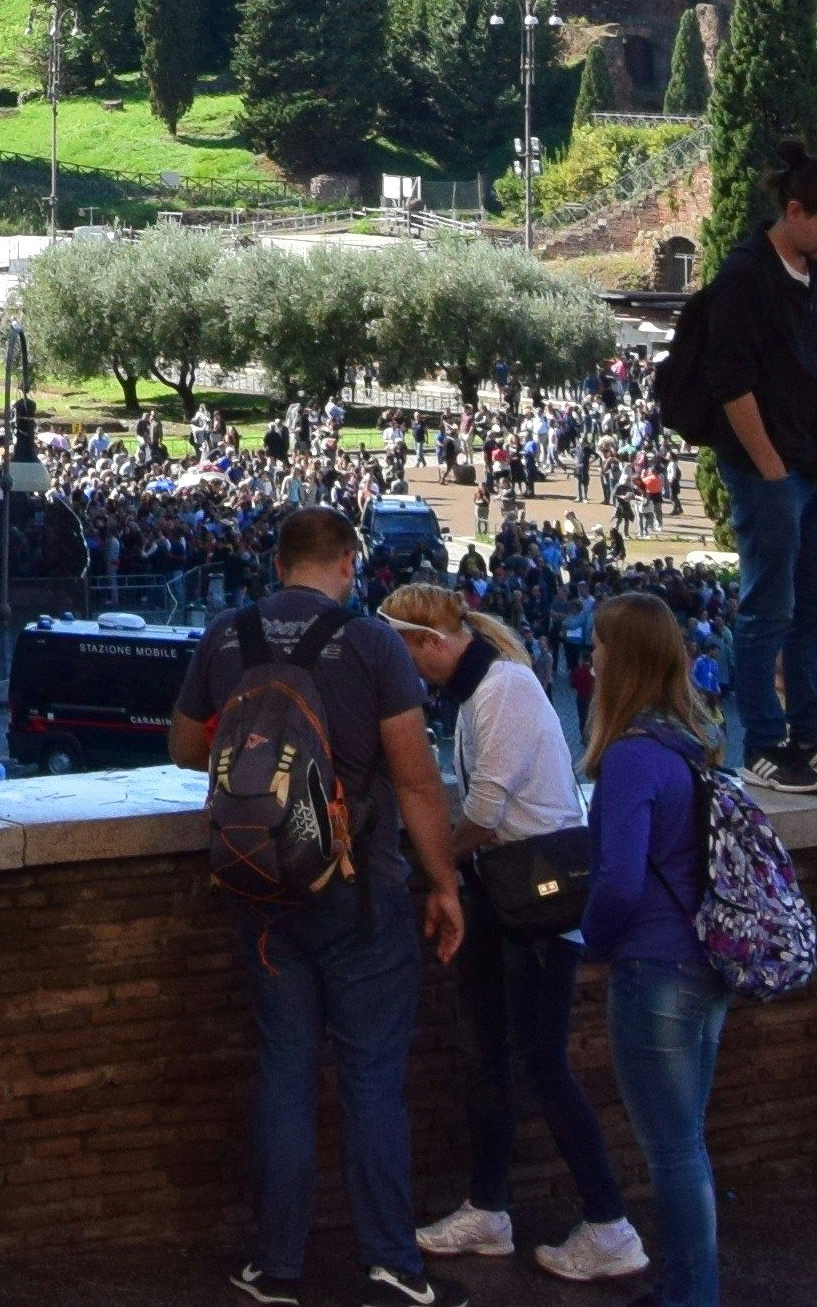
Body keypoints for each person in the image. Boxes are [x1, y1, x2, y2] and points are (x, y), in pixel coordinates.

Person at [174, 504, 467, 1307]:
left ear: (277, 564)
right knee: (371, 1079)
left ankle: (277, 1265)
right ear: (346, 564)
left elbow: (186, 747)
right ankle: (390, 1264)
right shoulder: (371, 642)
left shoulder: (227, 636)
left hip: (260, 889)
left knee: (284, 1074)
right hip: (358, 888)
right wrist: (443, 885)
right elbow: (416, 779)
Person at [382, 583, 644, 1285]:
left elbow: (486, 809)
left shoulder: (502, 689)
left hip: (534, 904)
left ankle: (610, 1224)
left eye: (407, 654)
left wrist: (435, 867)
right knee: (487, 1056)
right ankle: (489, 1209)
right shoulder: (480, 691)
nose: (406, 670)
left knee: (540, 1062)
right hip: (504, 898)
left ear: (429, 642)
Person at [658, 144, 817, 797]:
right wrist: (769, 470)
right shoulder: (744, 279)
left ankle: (814, 736)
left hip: (815, 464)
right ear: (794, 211)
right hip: (766, 470)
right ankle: (764, 743)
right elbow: (731, 385)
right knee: (768, 608)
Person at [572, 590, 736, 1307]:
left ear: (623, 661)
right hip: (705, 960)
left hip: (654, 966)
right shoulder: (689, 746)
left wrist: (593, 943)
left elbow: (618, 878)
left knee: (673, 1152)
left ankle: (691, 1295)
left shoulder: (633, 757)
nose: (592, 657)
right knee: (685, 1142)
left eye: (600, 647)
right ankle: (683, 1284)